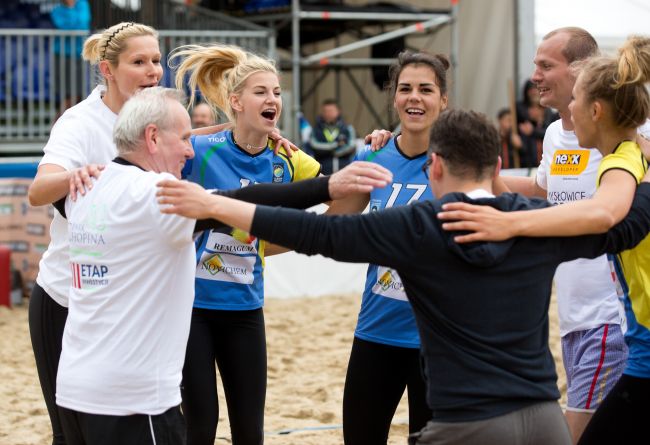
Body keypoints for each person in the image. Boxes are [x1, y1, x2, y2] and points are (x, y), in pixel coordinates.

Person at [157, 108, 650, 445]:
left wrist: (214, 205)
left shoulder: (419, 226)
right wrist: (633, 155)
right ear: (499, 165)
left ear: (434, 167)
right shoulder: (536, 223)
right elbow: (624, 225)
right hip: (544, 420)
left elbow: (316, 234)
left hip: (467, 423)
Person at [53, 86, 393, 445]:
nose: (190, 150)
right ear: (152, 137)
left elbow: (51, 192)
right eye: (184, 138)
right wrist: (329, 186)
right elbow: (241, 199)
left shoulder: (85, 188)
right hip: (130, 396)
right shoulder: (153, 194)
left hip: (74, 387)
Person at [437, 36, 650, 444]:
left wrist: (513, 226)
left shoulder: (624, 160)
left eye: (576, 100)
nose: (569, 110)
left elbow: (602, 214)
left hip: (618, 329)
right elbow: (550, 194)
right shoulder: (619, 152)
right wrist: (492, 184)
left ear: (596, 109)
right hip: (609, 328)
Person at [169, 43, 322, 445]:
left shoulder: (290, 160)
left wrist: (275, 243)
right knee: (200, 424)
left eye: (277, 92)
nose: (273, 99)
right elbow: (163, 142)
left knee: (249, 430)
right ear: (235, 102)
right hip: (193, 306)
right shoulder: (201, 150)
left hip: (245, 308)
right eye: (261, 92)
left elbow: (340, 202)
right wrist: (217, 128)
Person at [27, 22, 164, 445]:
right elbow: (38, 191)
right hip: (65, 299)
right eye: (139, 62)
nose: (153, 70)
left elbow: (187, 141)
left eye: (156, 60)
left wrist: (250, 134)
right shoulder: (79, 122)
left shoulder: (156, 116)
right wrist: (83, 174)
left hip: (126, 304)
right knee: (71, 434)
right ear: (108, 70)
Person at [326, 49, 449, 444]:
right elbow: (329, 225)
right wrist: (259, 237)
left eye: (426, 89)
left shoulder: (457, 163)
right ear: (394, 97)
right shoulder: (373, 155)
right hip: (377, 330)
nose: (415, 97)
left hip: (438, 340)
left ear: (443, 100)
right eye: (405, 88)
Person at [51, 0, 91, 112]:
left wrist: (70, 7)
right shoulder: (56, 10)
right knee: (67, 93)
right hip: (61, 55)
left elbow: (82, 26)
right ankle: (59, 120)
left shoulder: (83, 4)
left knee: (78, 93)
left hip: (80, 55)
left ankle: (58, 120)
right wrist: (70, 7)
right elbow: (69, 28)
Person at [516, 78, 558, 167]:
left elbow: (550, 133)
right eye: (531, 90)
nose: (534, 92)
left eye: (536, 89)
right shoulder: (521, 113)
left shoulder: (549, 114)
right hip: (527, 162)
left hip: (547, 161)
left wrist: (533, 131)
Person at [309, 99, 357, 174]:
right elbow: (314, 145)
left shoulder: (347, 128)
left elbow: (352, 145)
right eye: (325, 111)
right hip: (323, 173)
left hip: (344, 172)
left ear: (338, 111)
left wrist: (338, 152)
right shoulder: (316, 130)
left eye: (331, 111)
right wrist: (335, 145)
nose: (328, 113)